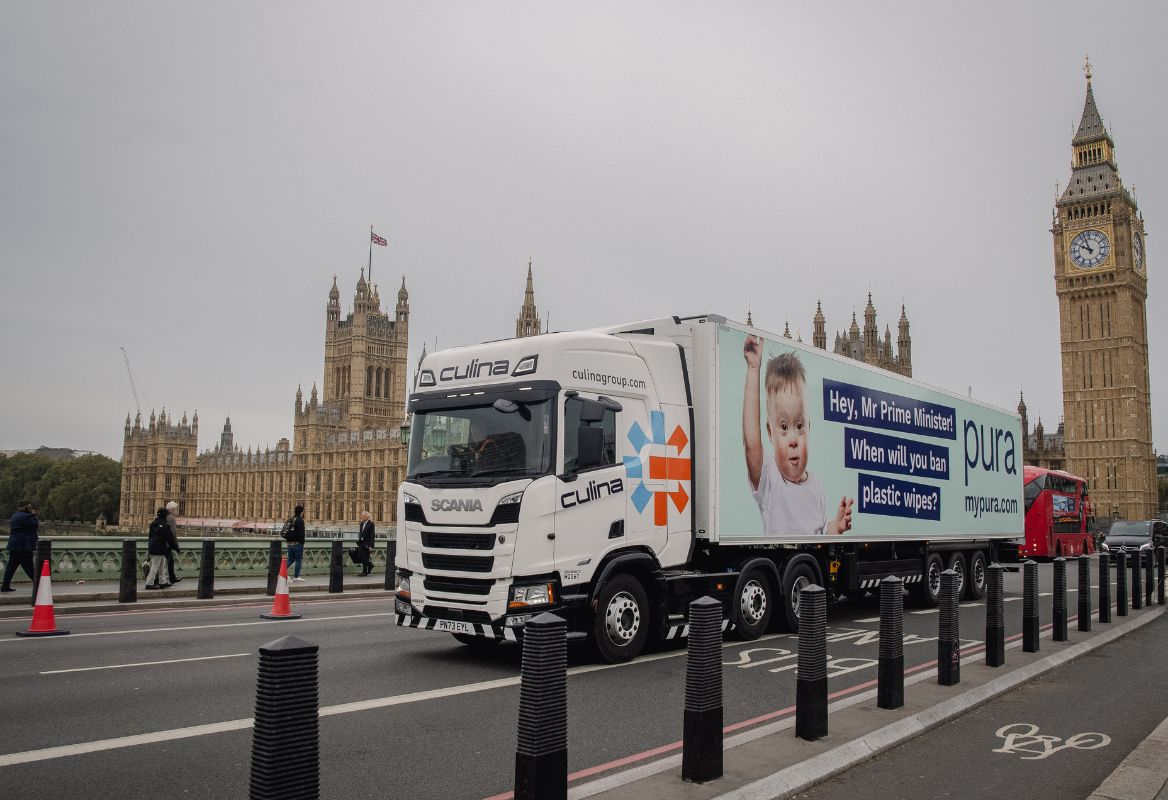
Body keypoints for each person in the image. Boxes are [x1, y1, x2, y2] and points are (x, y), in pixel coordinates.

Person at [743, 335, 853, 537]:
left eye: (799, 425)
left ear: (809, 428)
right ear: (770, 433)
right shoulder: (770, 480)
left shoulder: (817, 487)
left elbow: (820, 534)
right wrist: (753, 370)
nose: (793, 440)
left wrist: (835, 526)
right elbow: (751, 442)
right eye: (784, 427)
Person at [2, 501, 38, 593]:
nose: (30, 509)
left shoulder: (15, 515)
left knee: (11, 567)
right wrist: (34, 515)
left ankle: (5, 586)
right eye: (29, 508)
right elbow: (34, 525)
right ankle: (39, 584)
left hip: (14, 545)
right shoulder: (27, 516)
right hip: (24, 546)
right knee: (29, 567)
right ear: (25, 507)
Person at [145, 507, 178, 589]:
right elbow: (169, 538)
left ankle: (162, 581)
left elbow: (150, 536)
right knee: (155, 565)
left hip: (153, 546)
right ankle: (149, 582)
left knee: (162, 564)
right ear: (165, 515)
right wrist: (176, 547)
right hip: (159, 548)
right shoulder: (165, 525)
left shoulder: (153, 524)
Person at [284, 505, 306, 582]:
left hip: (289, 543)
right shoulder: (300, 520)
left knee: (290, 559)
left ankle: (281, 572)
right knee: (298, 560)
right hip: (297, 543)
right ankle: (296, 576)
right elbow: (301, 533)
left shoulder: (290, 519)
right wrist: (302, 542)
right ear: (301, 512)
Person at [164, 501, 183, 584]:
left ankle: (160, 579)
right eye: (175, 509)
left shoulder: (160, 516)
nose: (176, 511)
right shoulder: (171, 518)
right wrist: (176, 546)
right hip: (167, 544)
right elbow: (173, 533)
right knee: (170, 561)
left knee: (160, 563)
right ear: (172, 509)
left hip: (158, 543)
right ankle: (172, 578)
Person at [357, 510, 375, 576]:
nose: (362, 517)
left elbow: (372, 535)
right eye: (362, 515)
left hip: (367, 544)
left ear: (368, 516)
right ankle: (370, 565)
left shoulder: (371, 524)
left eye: (364, 516)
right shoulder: (361, 523)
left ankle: (364, 572)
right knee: (360, 556)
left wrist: (371, 546)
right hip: (361, 543)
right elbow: (361, 533)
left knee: (365, 557)